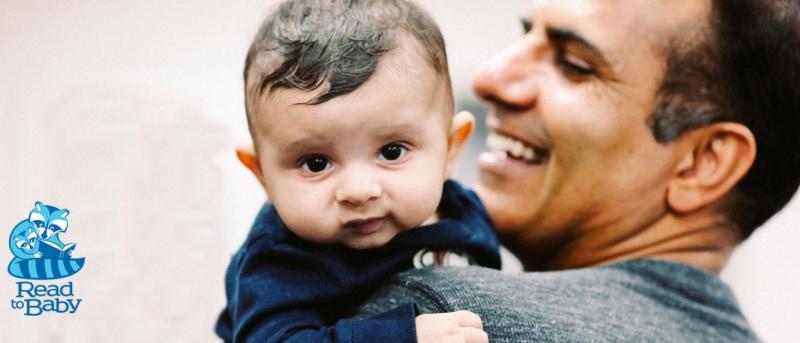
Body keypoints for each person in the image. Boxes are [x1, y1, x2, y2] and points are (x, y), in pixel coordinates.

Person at [357, 0, 800, 341]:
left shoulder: (446, 321)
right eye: (526, 37)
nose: (489, 78)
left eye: (574, 65)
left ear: (703, 164)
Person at [214, 0, 502, 342]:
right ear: (261, 174)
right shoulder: (279, 261)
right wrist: (399, 337)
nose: (358, 190)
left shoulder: (464, 211)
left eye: (392, 152)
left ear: (450, 148)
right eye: (316, 163)